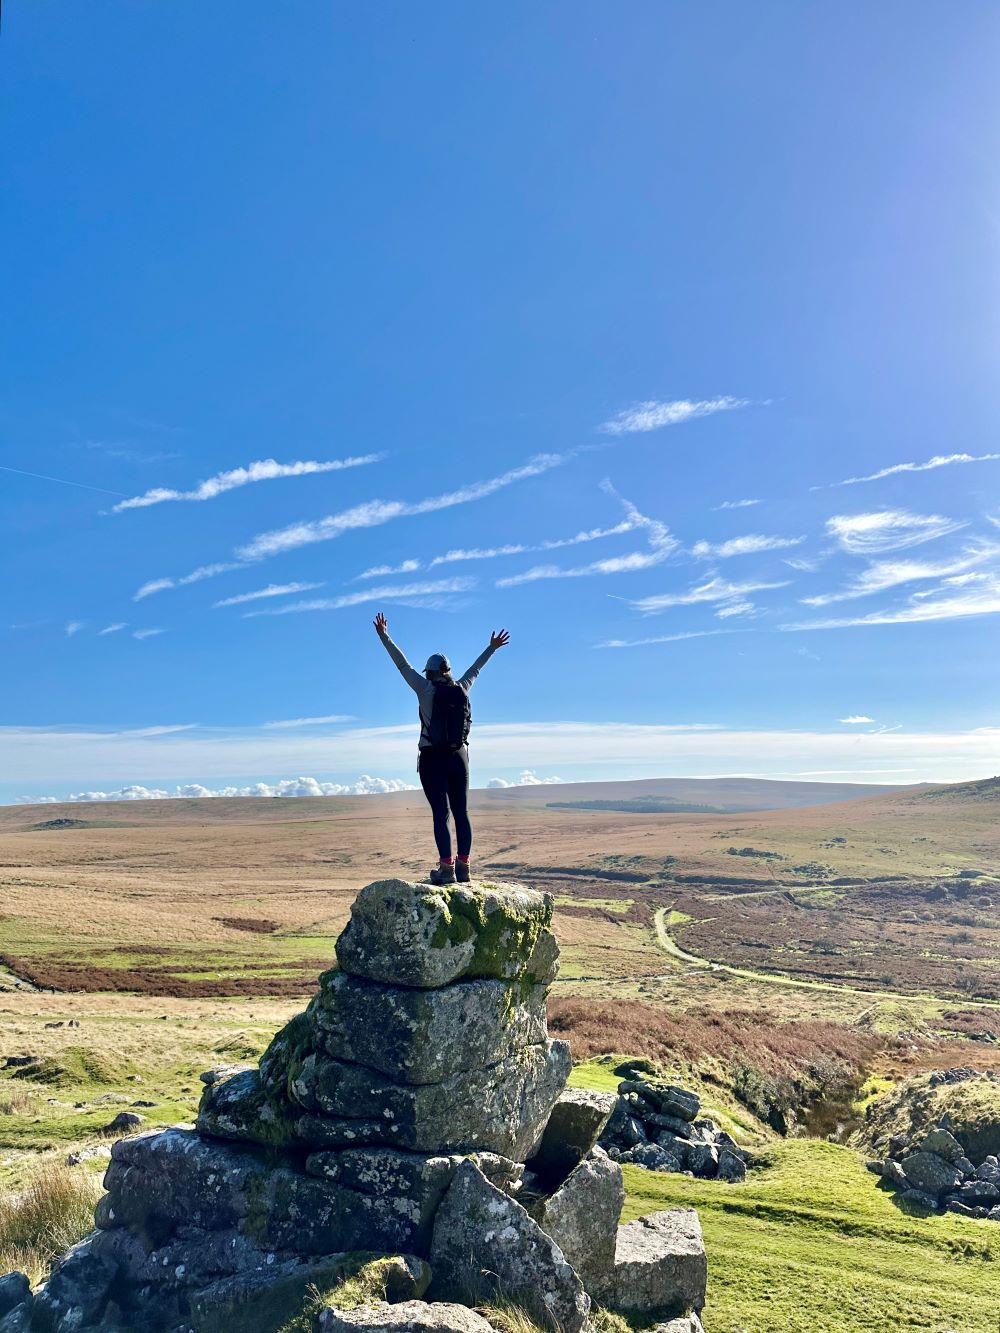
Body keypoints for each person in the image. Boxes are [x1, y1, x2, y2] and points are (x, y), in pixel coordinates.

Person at [374, 611, 509, 885]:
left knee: (441, 813)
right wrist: (491, 648)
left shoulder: (425, 689)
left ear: (431, 673)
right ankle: (464, 867)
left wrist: (384, 637)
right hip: (459, 757)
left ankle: (446, 870)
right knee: (462, 812)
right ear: (448, 671)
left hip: (432, 758)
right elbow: (475, 670)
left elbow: (402, 665)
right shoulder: (462, 688)